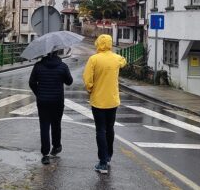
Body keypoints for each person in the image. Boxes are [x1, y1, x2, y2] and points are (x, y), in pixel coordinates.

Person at [83, 34, 126, 174]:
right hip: (113, 100)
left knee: (100, 130)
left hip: (98, 101)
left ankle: (102, 163)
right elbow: (123, 61)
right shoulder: (116, 58)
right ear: (110, 44)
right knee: (110, 128)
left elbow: (87, 79)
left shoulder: (94, 59)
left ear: (98, 44)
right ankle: (108, 157)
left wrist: (90, 89)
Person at [28, 50, 73, 165]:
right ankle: (57, 146)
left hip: (43, 101)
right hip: (58, 101)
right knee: (56, 124)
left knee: (44, 126)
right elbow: (69, 82)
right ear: (57, 53)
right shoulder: (63, 66)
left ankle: (45, 155)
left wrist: (39, 93)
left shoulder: (38, 66)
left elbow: (31, 82)